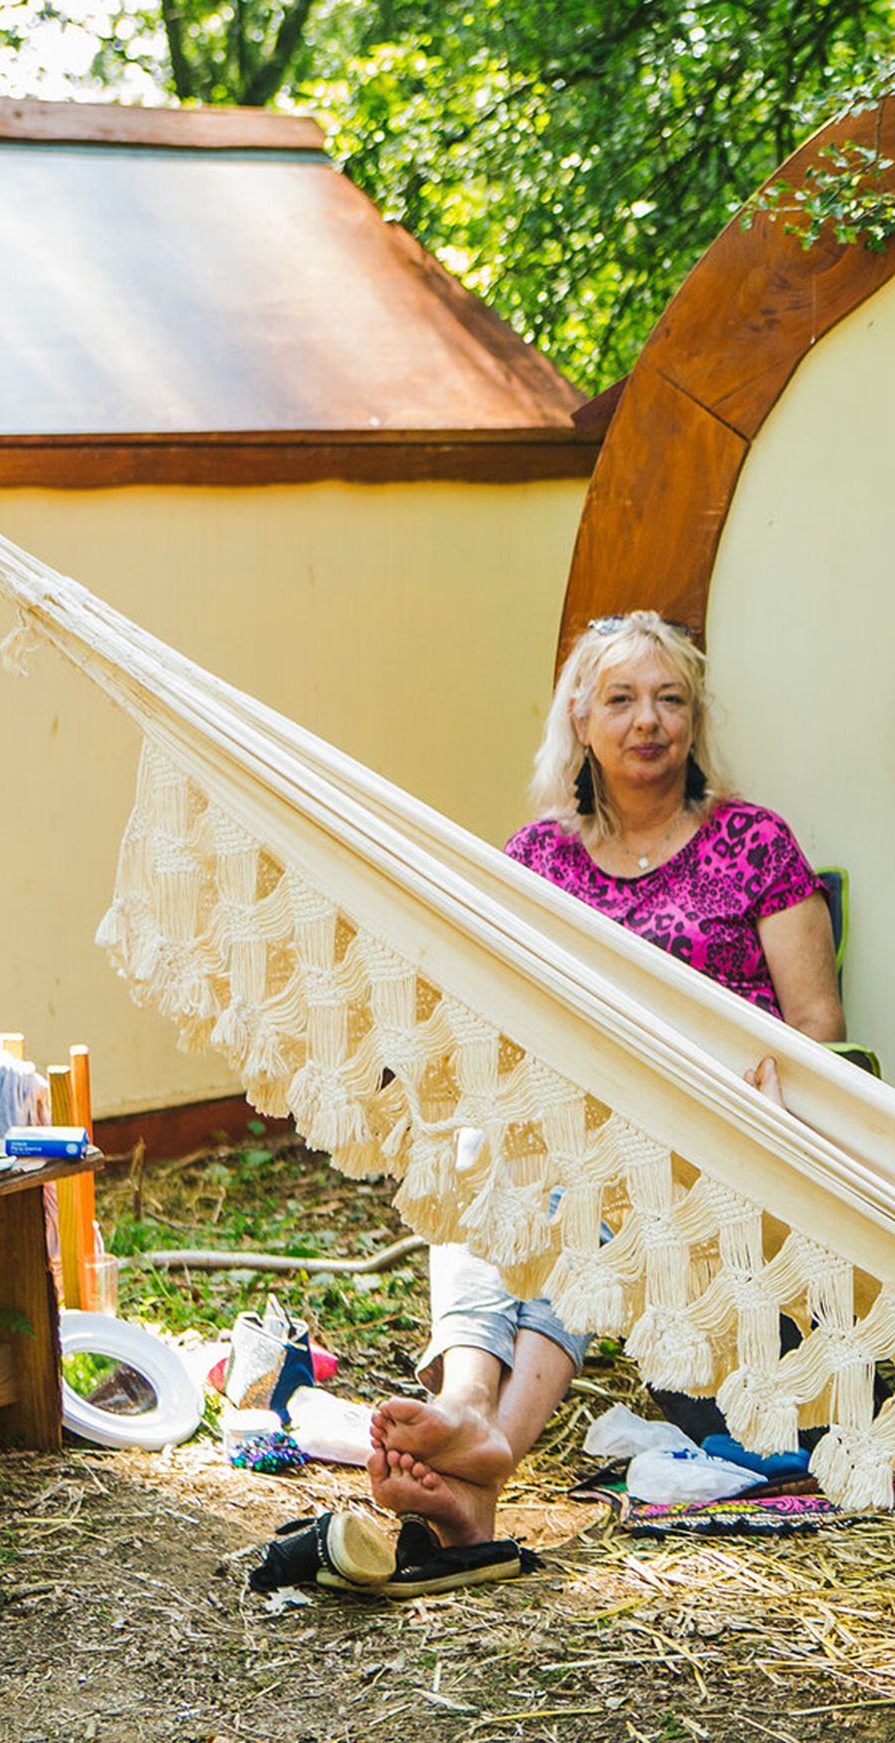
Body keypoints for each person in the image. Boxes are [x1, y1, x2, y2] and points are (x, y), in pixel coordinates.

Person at [370, 611, 845, 1547]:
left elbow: (820, 1025)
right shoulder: (538, 858)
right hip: (566, 1118)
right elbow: (491, 1007)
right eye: (622, 699)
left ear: (695, 720)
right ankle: (470, 1409)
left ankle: (489, 1445)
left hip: (708, 1133)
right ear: (581, 720)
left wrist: (764, 1097)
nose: (648, 721)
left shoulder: (756, 843)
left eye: (670, 699)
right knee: (483, 1146)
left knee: (591, 1172)